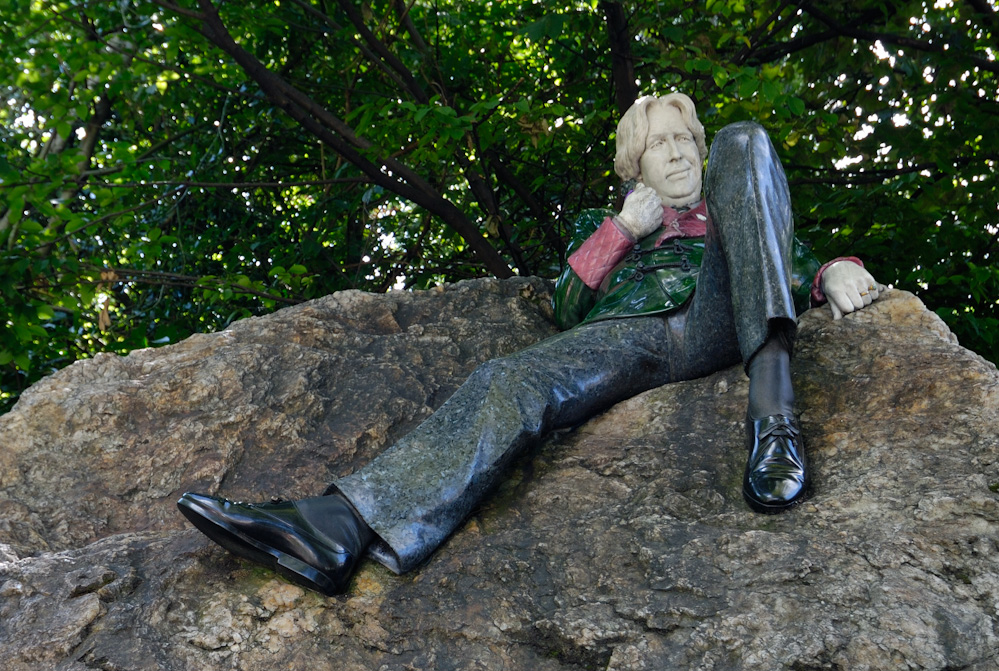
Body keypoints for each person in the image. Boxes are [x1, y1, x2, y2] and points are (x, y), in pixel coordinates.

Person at [177, 93, 884, 596]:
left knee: (747, 138)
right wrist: (622, 231)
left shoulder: (734, 197)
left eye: (681, 140)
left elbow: (777, 260)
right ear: (633, 168)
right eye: (655, 145)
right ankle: (337, 525)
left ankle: (774, 419)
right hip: (627, 337)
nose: (675, 154)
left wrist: (828, 270)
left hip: (715, 319)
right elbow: (565, 305)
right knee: (505, 376)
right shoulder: (606, 222)